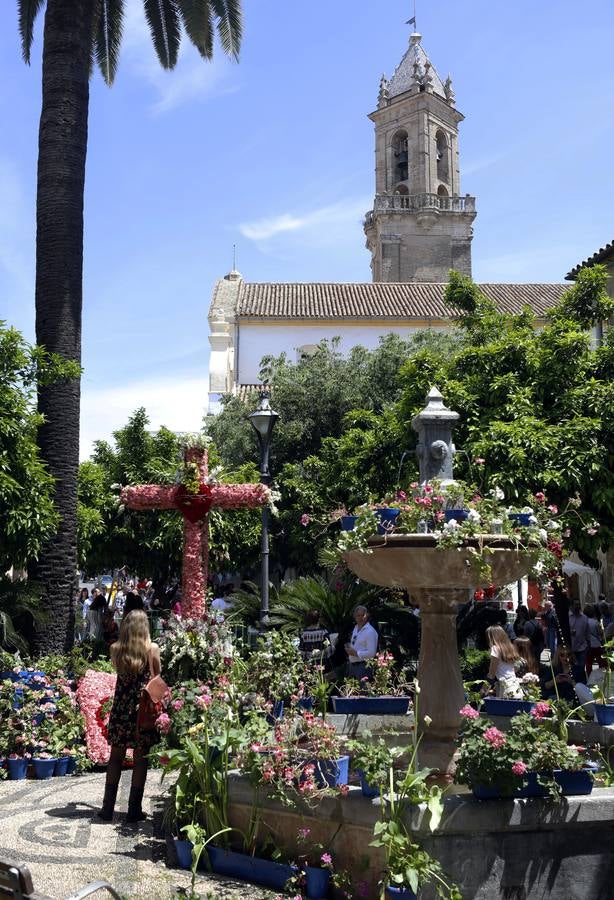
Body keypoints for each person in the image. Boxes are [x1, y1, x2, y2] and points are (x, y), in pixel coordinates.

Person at [99, 610, 161, 823]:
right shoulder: (151, 649)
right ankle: (133, 810)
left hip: (120, 711)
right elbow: (157, 676)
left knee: (115, 757)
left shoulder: (115, 649)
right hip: (140, 712)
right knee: (140, 759)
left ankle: (107, 809)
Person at [484, 625, 522, 698]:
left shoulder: (495, 649)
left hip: (506, 688)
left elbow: (491, 674)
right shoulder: (510, 648)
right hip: (515, 686)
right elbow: (514, 669)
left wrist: (482, 691)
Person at [345, 606, 378, 681]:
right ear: (355, 617)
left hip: (363, 667)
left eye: (362, 615)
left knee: (362, 692)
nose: (360, 618)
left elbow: (372, 653)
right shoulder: (355, 628)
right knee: (352, 691)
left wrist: (356, 653)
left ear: (367, 616)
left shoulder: (370, 632)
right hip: (352, 666)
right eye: (358, 615)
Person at [569, 601, 590, 683]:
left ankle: (582, 683)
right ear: (572, 606)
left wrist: (588, 644)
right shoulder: (568, 617)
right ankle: (574, 683)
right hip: (571, 648)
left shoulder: (584, 618)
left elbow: (587, 632)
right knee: (573, 667)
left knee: (581, 667)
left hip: (582, 647)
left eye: (578, 604)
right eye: (575, 604)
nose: (577, 606)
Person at [585, 604, 604, 676]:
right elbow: (601, 633)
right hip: (596, 644)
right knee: (600, 661)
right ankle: (601, 675)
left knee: (589, 663)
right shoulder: (595, 622)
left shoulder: (584, 621)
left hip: (588, 644)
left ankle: (590, 676)